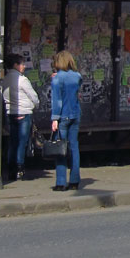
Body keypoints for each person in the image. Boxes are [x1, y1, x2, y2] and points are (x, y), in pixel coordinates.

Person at [49, 50, 82, 192]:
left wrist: (54, 118)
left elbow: (57, 100)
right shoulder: (77, 76)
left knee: (61, 149)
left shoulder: (57, 79)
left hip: (62, 116)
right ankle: (74, 180)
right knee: (74, 147)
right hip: (75, 115)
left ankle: (61, 182)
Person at [3, 53, 39, 182]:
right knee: (22, 142)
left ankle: (11, 168)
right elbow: (33, 96)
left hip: (11, 113)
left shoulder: (5, 79)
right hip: (24, 112)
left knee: (13, 141)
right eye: (22, 64)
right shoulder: (22, 80)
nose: (24, 66)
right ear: (15, 65)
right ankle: (20, 168)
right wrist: (36, 104)